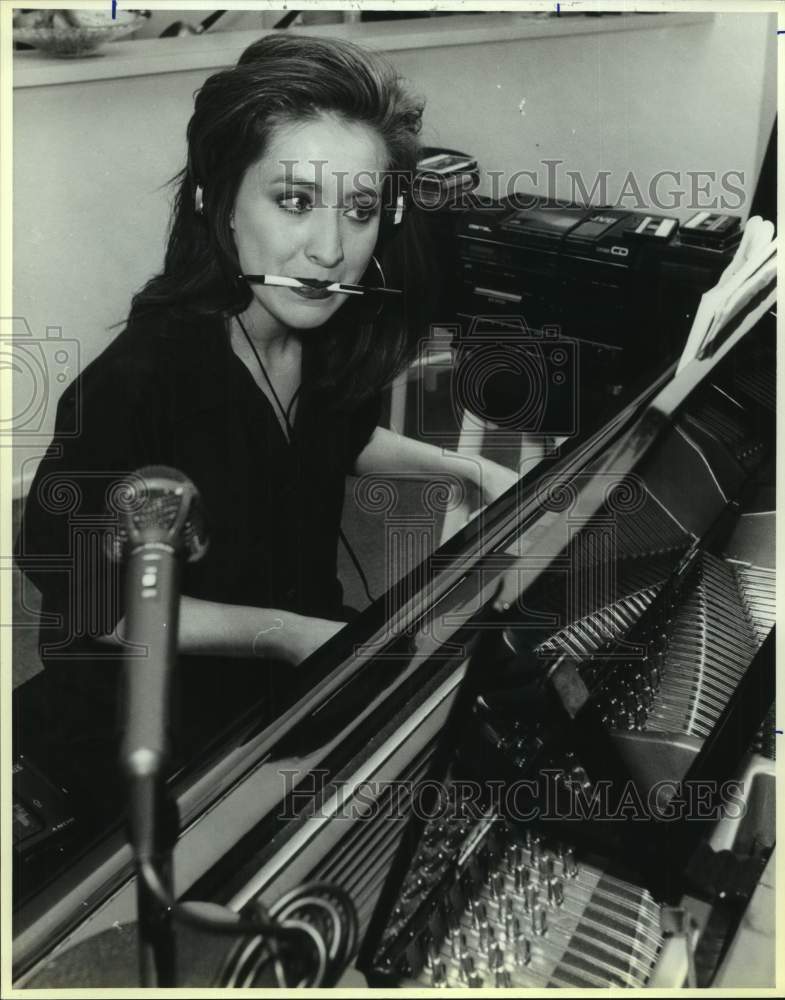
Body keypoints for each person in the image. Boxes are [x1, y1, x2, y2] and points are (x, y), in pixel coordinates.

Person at [15, 35, 517, 793]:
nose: (328, 249)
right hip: (157, 714)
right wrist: (283, 636)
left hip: (300, 656)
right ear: (213, 198)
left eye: (359, 210)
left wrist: (461, 464)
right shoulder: (135, 382)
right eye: (294, 201)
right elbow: (95, 608)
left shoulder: (319, 328)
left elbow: (336, 434)